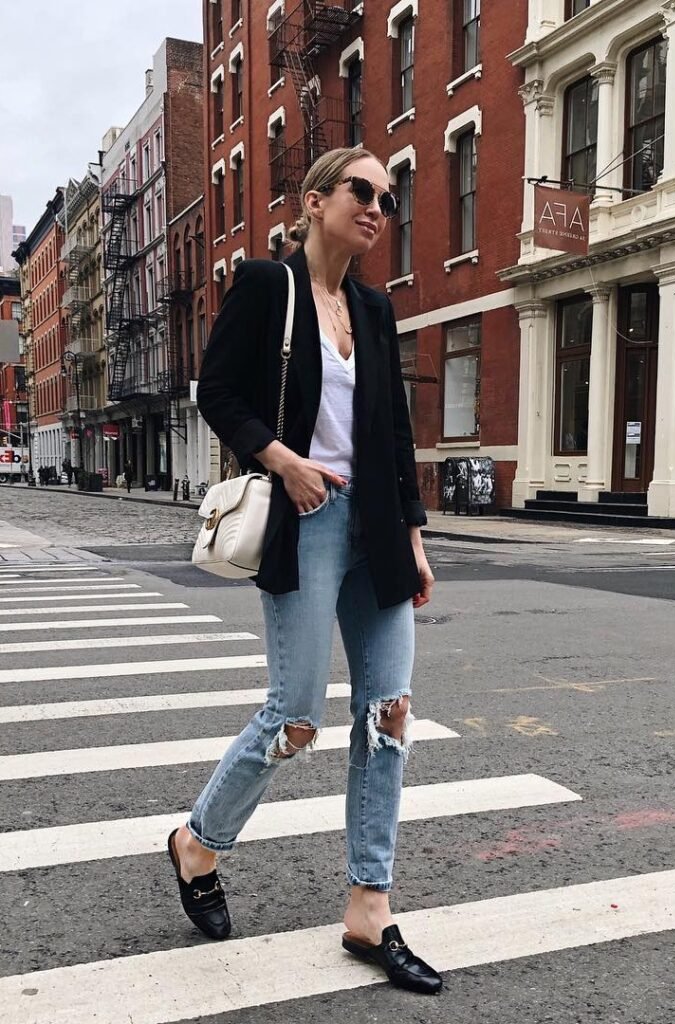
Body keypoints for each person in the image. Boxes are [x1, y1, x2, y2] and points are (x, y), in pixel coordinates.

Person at [167, 148, 440, 995]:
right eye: (362, 190)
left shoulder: (374, 307)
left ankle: (369, 904)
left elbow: (391, 430)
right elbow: (218, 393)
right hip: (306, 523)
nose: (376, 207)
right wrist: (284, 461)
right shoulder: (264, 287)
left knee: (387, 717)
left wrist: (416, 533)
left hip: (377, 529)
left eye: (387, 198)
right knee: (294, 719)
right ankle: (199, 842)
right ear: (315, 200)